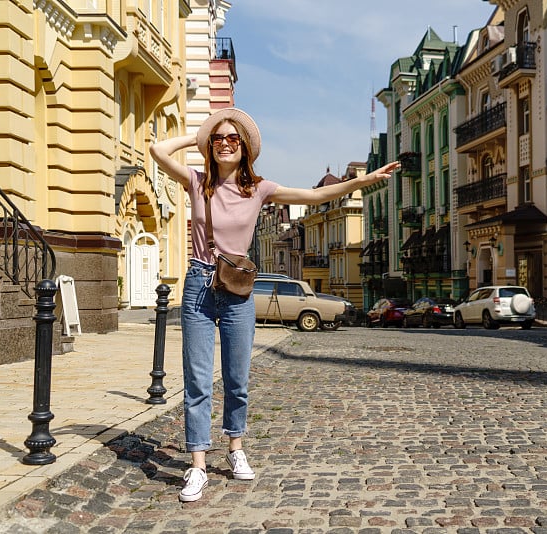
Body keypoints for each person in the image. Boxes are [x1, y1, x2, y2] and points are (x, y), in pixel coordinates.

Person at [149, 107, 399, 503]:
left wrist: (364, 181)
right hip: (199, 283)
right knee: (197, 380)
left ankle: (235, 448)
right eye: (218, 139)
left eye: (233, 139)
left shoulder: (259, 189)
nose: (225, 144)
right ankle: (197, 465)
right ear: (210, 146)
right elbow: (158, 150)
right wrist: (200, 133)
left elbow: (314, 195)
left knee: (237, 378)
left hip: (237, 290)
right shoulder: (196, 182)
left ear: (245, 148)